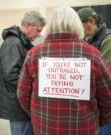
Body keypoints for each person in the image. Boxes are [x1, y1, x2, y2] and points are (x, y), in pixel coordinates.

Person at [17, 6, 111, 135]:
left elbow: (22, 95)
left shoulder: (33, 54)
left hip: (44, 127)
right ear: (77, 24)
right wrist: (100, 119)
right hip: (83, 127)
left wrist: (37, 113)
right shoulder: (93, 54)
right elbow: (107, 95)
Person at [0, 11, 45, 135]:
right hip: (17, 106)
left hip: (22, 104)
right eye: (38, 30)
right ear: (28, 25)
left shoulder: (22, 43)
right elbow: (11, 74)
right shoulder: (13, 43)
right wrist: (34, 85)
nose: (39, 35)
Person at [77, 7, 111, 135]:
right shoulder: (91, 39)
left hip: (106, 105)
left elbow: (107, 75)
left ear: (91, 21)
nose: (80, 32)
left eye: (81, 27)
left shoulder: (108, 39)